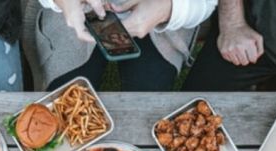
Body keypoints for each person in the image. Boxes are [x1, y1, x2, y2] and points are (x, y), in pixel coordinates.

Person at [31, 0, 216, 91]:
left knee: (146, 106)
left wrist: (167, 8)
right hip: (74, 11)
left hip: (162, 22)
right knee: (67, 102)